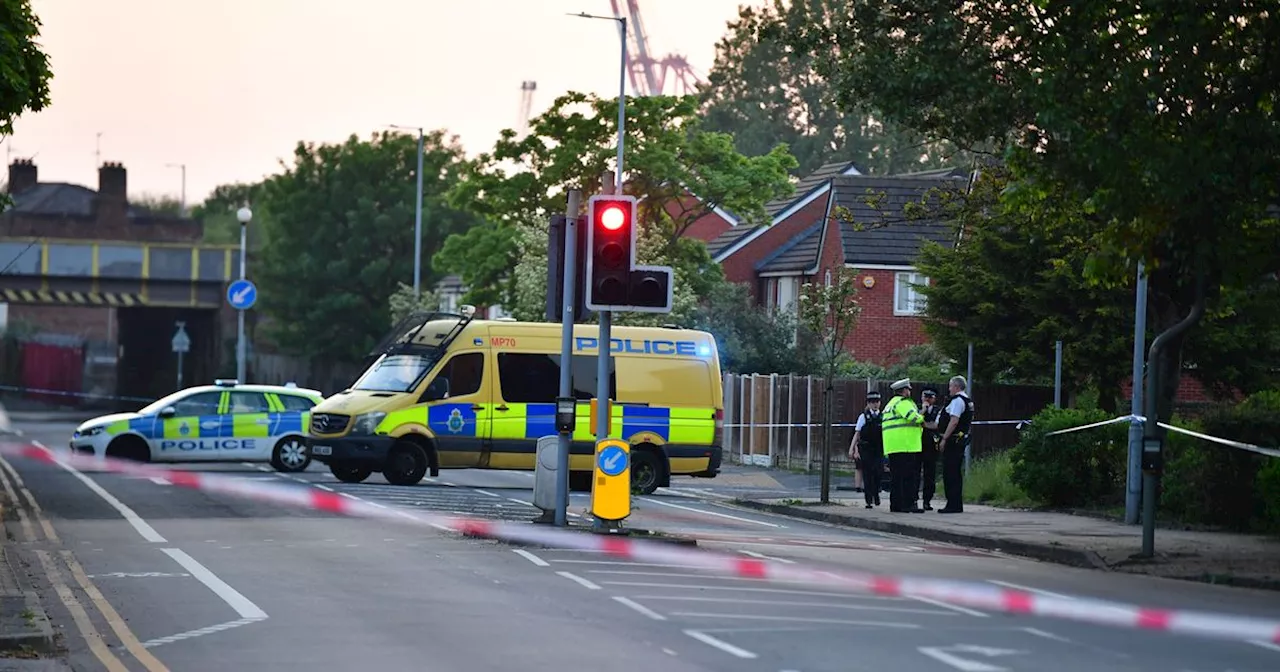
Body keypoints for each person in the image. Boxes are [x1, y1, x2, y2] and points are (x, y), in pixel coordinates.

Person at [881, 378, 924, 513]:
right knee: (908, 476)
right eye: (909, 389)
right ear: (904, 391)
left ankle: (896, 505)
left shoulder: (890, 404)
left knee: (896, 477)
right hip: (906, 445)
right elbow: (914, 417)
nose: (910, 391)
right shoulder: (903, 403)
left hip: (893, 446)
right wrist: (923, 416)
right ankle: (908, 504)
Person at [937, 375, 974, 514]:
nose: (949, 389)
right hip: (958, 441)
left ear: (957, 387)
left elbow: (954, 421)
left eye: (951, 386)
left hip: (953, 441)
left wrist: (944, 438)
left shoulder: (958, 401)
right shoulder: (967, 400)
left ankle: (953, 504)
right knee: (954, 472)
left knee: (951, 473)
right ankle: (954, 503)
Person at [848, 391, 883, 509]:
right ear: (868, 403)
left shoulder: (883, 416)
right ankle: (868, 500)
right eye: (872, 402)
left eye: (877, 402)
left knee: (878, 472)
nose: (875, 405)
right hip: (866, 448)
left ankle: (876, 493)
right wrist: (852, 449)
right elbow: (857, 434)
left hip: (878, 448)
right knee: (867, 474)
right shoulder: (863, 416)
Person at [919, 388, 942, 510]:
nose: (927, 399)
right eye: (925, 396)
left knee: (929, 474)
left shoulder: (938, 410)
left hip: (931, 445)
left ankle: (927, 500)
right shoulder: (918, 409)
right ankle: (913, 499)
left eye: (929, 397)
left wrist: (924, 424)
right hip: (917, 444)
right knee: (915, 472)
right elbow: (915, 421)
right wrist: (923, 410)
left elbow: (936, 425)